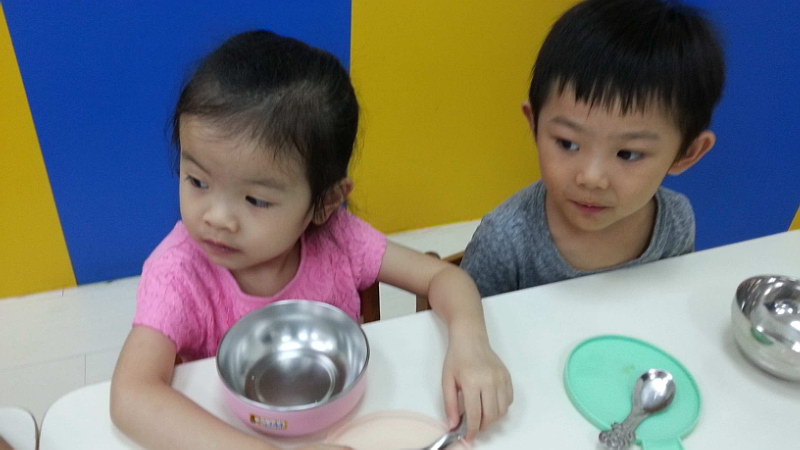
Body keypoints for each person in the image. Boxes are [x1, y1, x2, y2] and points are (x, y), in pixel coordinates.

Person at [109, 30, 512, 450]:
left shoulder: (339, 240)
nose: (217, 218)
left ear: (325, 203)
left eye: (255, 200)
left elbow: (443, 277)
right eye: (197, 180)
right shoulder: (179, 272)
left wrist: (471, 344)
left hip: (356, 421)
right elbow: (131, 396)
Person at [461, 0, 725, 297]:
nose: (591, 178)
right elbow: (462, 318)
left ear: (687, 153)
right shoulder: (505, 239)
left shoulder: (675, 222)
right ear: (534, 125)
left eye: (628, 154)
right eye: (568, 143)